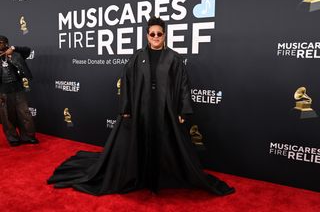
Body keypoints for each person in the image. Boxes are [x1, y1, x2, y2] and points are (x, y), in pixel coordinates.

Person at [48, 17, 235, 196]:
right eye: (152, 34)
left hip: (166, 109)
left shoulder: (174, 58)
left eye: (159, 34)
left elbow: (184, 85)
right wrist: (126, 108)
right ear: (147, 36)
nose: (155, 37)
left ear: (164, 35)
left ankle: (162, 175)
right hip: (142, 108)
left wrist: (183, 110)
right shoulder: (138, 57)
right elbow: (126, 82)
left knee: (167, 143)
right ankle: (142, 174)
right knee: (140, 140)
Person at [0, 35, 39, 146]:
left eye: (1, 42)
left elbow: (27, 50)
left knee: (25, 113)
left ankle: (28, 136)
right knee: (7, 116)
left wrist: (14, 48)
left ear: (6, 43)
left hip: (18, 89)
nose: (0, 45)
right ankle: (13, 139)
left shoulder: (16, 54)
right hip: (3, 91)